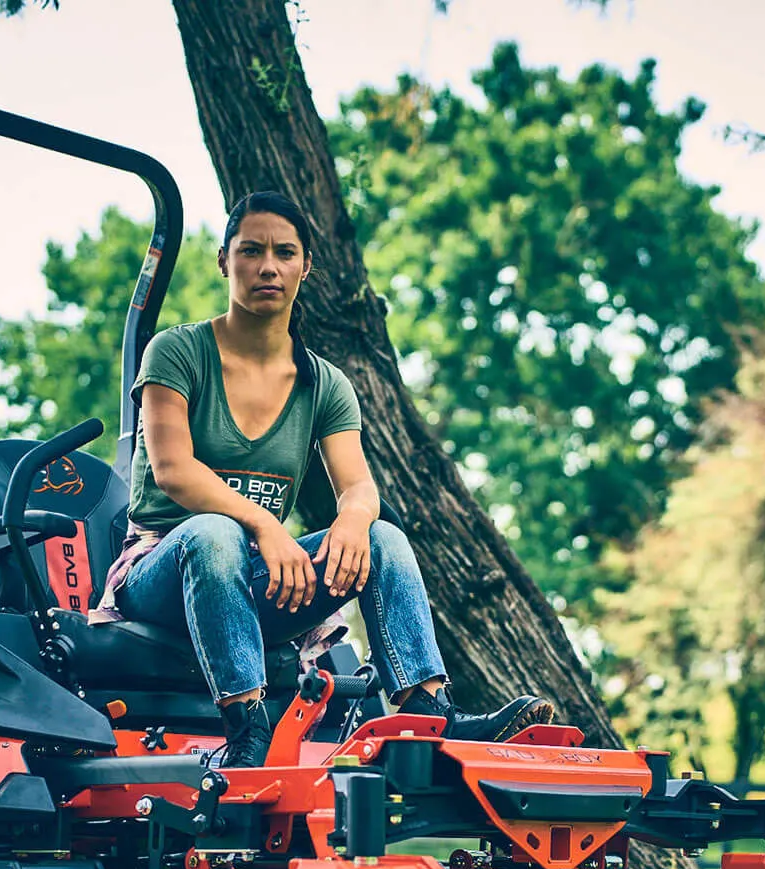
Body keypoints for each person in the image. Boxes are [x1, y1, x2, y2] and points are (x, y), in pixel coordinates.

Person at [94, 191, 556, 767]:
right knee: (213, 533)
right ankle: (249, 731)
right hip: (161, 571)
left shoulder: (325, 383)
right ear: (223, 261)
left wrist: (354, 521)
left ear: (305, 266)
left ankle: (429, 715)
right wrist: (264, 524)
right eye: (251, 251)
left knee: (383, 537)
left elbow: (359, 487)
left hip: (260, 575)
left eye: (285, 253)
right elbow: (173, 470)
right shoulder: (177, 351)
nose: (268, 266)